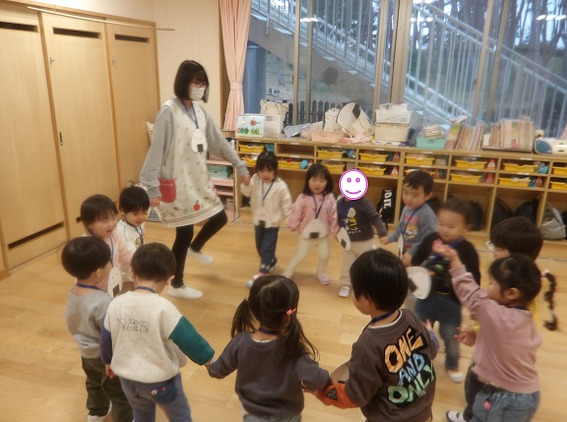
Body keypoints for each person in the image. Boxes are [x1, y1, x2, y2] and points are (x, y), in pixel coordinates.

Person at [139, 60, 250, 300]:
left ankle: (195, 248)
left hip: (198, 180)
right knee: (184, 233)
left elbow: (218, 142)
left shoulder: (200, 112)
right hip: (178, 184)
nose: (200, 87)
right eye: (196, 82)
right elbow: (156, 151)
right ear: (183, 82)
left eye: (203, 83)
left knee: (219, 216)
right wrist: (151, 187)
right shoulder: (168, 112)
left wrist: (239, 164)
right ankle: (176, 283)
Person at [446, 216, 557, 422]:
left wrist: (454, 262)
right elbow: (503, 328)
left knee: (476, 388)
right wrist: (478, 331)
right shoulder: (521, 292)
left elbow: (475, 298)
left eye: (498, 248)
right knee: (473, 383)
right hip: (513, 378)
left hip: (500, 386)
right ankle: (470, 415)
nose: (493, 252)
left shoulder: (514, 302)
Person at [316, 249, 438, 422]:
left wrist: (322, 391)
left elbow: (354, 396)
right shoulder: (410, 317)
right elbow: (432, 349)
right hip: (423, 413)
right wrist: (431, 333)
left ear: (367, 299)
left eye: (354, 289)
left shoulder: (368, 344)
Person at [100, 243, 214, 422]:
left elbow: (106, 337)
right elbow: (188, 338)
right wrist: (208, 360)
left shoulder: (116, 303)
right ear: (169, 279)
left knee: (141, 415)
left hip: (128, 380)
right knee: (180, 416)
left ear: (132, 272)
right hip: (161, 382)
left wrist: (108, 361)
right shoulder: (164, 308)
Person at [207, 275, 331, 421]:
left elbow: (218, 370)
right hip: (287, 415)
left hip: (252, 414)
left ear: (252, 307)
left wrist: (208, 364)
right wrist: (327, 379)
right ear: (289, 315)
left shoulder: (239, 342)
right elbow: (317, 379)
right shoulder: (293, 349)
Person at [62, 237, 133, 422]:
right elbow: (111, 334)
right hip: (106, 358)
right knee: (120, 394)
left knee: (94, 384)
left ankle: (96, 413)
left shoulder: (74, 292)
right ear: (98, 272)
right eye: (108, 262)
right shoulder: (102, 302)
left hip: (86, 353)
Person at [410, 198, 480, 384]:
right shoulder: (430, 239)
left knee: (451, 337)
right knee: (418, 332)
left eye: (451, 226)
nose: (444, 229)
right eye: (440, 223)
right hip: (426, 298)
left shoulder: (467, 249)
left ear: (465, 227)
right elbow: (416, 261)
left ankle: (452, 364)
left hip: (451, 303)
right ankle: (416, 361)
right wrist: (423, 270)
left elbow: (474, 279)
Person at [240, 151, 292, 287]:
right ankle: (272, 262)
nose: (265, 174)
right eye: (262, 171)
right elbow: (246, 192)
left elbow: (286, 203)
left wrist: (290, 218)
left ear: (275, 170)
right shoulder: (255, 179)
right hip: (258, 220)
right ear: (257, 170)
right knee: (260, 247)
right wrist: (245, 184)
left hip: (272, 223)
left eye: (269, 171)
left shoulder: (280, 185)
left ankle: (262, 273)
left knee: (266, 248)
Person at [282, 163, 339, 284]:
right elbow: (296, 212)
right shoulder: (303, 198)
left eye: (322, 181)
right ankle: (288, 272)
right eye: (314, 180)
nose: (317, 184)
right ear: (308, 181)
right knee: (300, 255)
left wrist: (335, 231)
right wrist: (292, 225)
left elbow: (333, 215)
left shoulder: (329, 198)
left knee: (325, 255)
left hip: (323, 235)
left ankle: (321, 273)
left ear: (327, 182)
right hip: (305, 235)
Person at [379, 170, 437, 267]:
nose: (408, 198)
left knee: (414, 274)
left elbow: (428, 239)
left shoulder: (427, 214)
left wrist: (412, 252)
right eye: (405, 192)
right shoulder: (406, 208)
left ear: (427, 196)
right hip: (405, 249)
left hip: (419, 255)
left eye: (415, 195)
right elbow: (400, 228)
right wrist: (390, 238)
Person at [336, 194, 387, 298]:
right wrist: (339, 233)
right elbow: (339, 219)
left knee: (365, 264)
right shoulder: (340, 203)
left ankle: (365, 284)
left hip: (364, 241)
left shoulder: (364, 203)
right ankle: (346, 284)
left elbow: (375, 217)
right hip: (349, 242)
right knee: (347, 263)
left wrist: (382, 233)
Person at [81, 194, 133, 292]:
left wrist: (138, 268)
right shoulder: (86, 245)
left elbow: (126, 255)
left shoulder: (114, 235)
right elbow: (82, 273)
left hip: (113, 283)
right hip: (94, 289)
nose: (111, 224)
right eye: (105, 221)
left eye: (113, 218)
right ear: (90, 224)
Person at [116, 184, 150, 254]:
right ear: (123, 211)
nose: (141, 217)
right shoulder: (122, 232)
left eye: (144, 212)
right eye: (135, 214)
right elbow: (131, 255)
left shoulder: (135, 221)